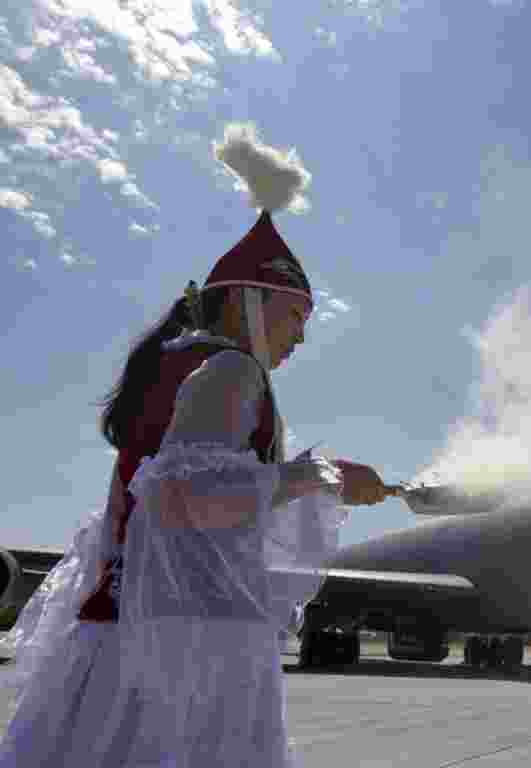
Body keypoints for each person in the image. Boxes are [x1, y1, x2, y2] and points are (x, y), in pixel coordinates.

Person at [0, 127, 389, 767]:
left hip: (119, 634)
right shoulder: (236, 370)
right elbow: (188, 498)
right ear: (251, 302)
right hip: (194, 649)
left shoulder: (167, 366)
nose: (299, 338)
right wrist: (319, 476)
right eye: (296, 317)